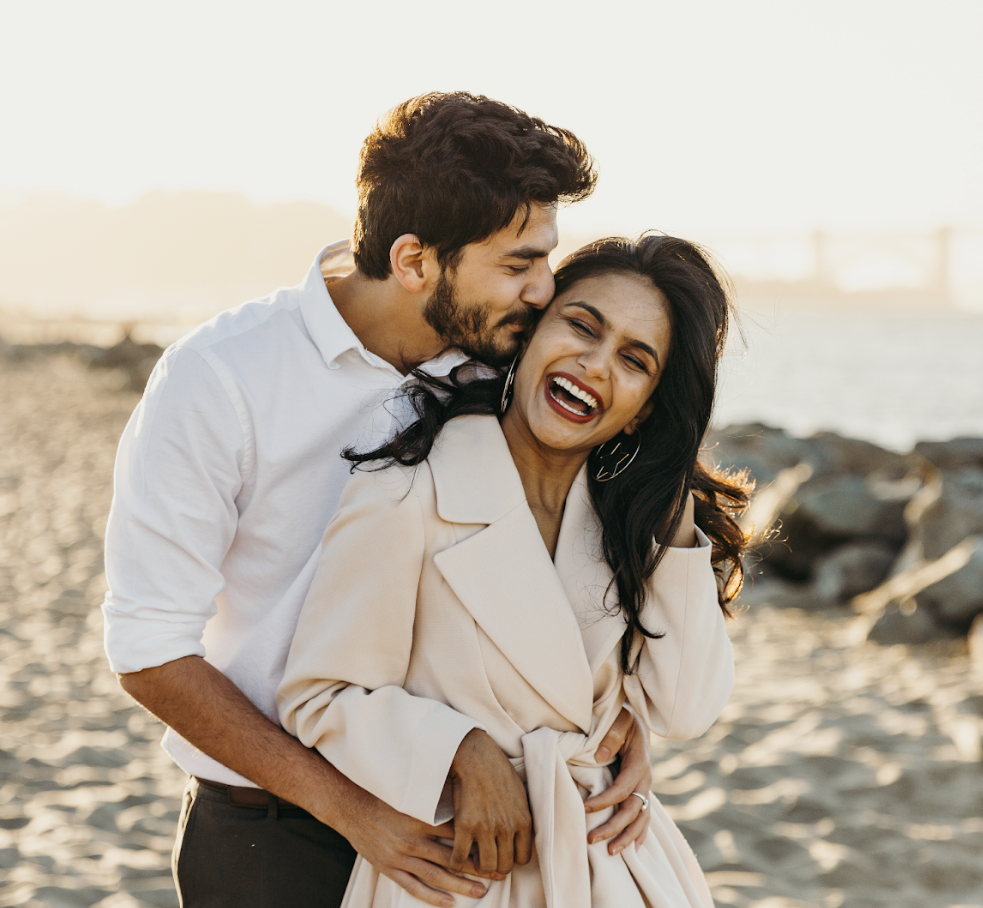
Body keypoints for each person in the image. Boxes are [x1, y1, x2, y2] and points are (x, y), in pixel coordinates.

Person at [101, 93, 656, 908]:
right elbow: (148, 649)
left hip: (472, 822)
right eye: (517, 265)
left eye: (547, 260)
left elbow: (565, 548)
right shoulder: (220, 379)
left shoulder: (503, 366)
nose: (544, 291)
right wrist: (353, 813)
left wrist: (618, 716)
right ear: (413, 262)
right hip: (274, 836)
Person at [278, 234, 753, 907]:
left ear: (644, 408)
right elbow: (320, 696)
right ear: (530, 333)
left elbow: (683, 709)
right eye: (581, 326)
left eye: (634, 360)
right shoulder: (407, 493)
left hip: (614, 861)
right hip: (466, 872)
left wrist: (673, 504)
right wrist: (460, 750)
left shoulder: (627, 521)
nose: (594, 364)